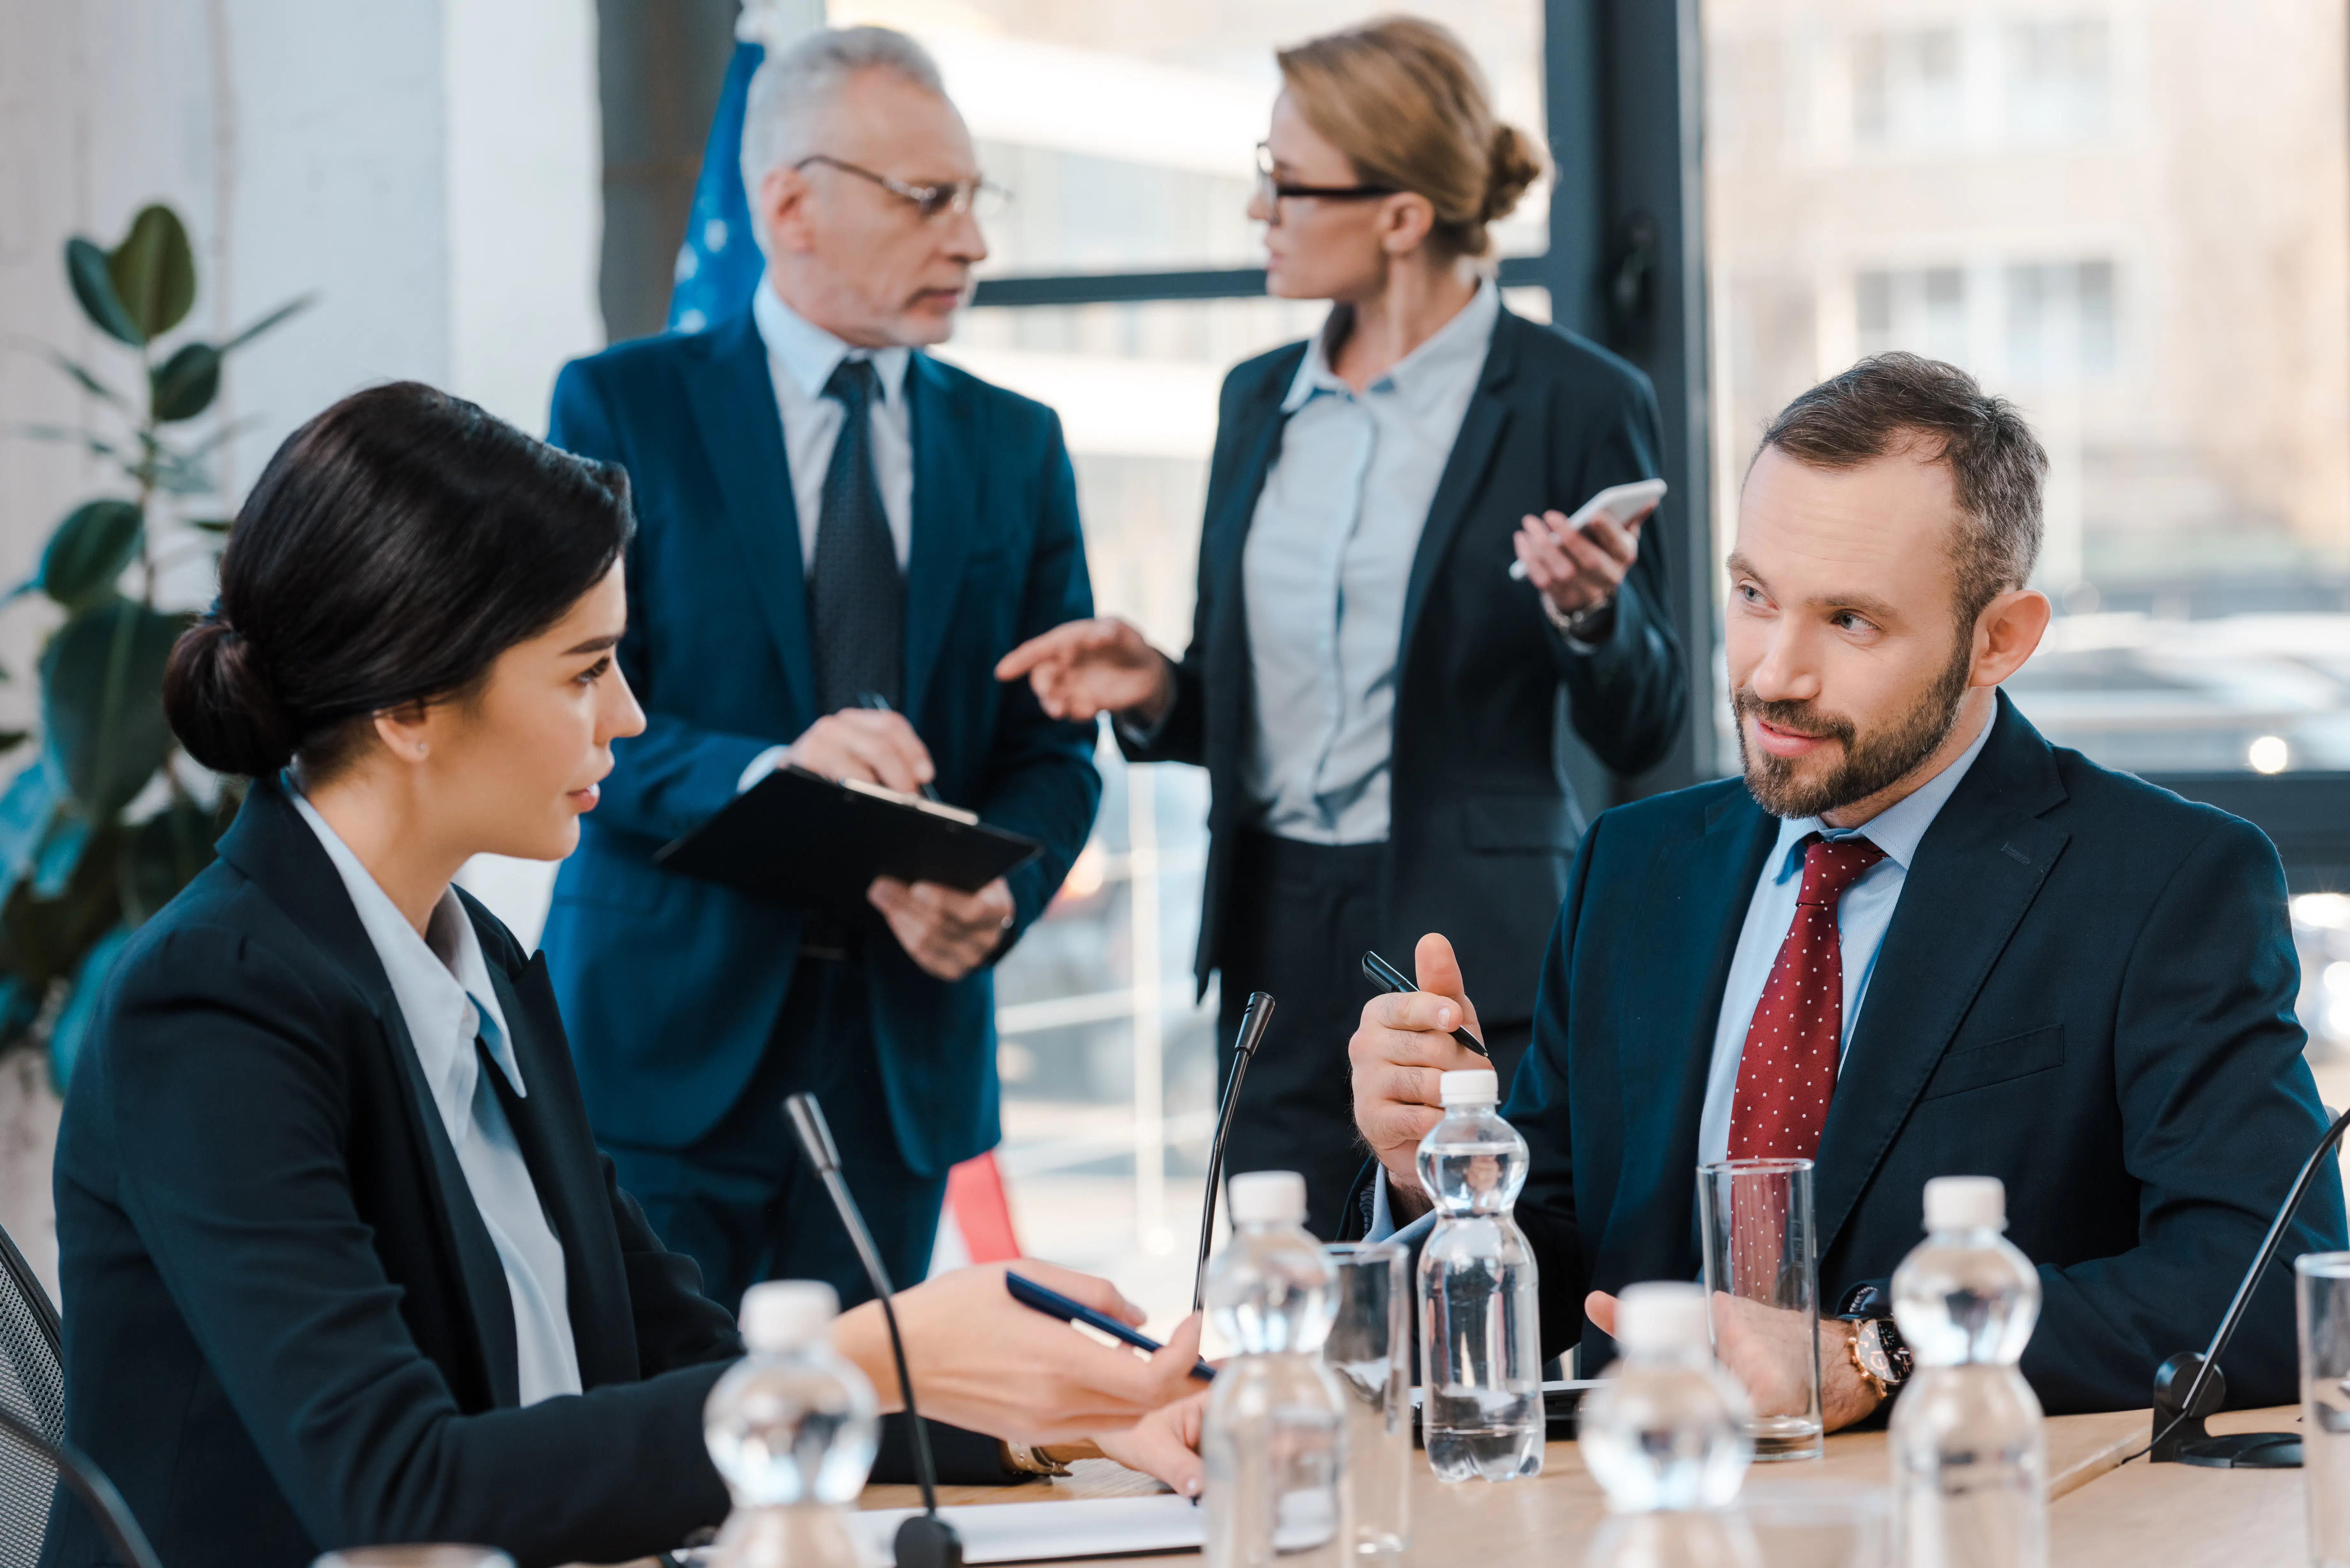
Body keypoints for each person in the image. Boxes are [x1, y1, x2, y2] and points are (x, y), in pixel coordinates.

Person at [45, 385, 1202, 1568]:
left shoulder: (472, 953)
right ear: (407, 706)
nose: (633, 716)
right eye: (587, 669)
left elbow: (682, 1364)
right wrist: (865, 1352)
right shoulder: (213, 1006)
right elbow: (396, 1493)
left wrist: (1083, 1414)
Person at [1346, 353, 2347, 1423]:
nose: (1776, 672)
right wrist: (1437, 1178)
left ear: (1998, 641)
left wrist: (1880, 1356)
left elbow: (2273, 1282)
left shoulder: (2165, 883)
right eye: (1752, 597)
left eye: (1851, 622)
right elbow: (1562, 1246)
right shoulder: (1633, 867)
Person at [996, 16, 1687, 1236]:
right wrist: (1153, 686)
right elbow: (1234, 702)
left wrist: (1591, 612)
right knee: (1279, 1291)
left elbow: (1649, 719)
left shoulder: (1579, 400)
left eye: (1283, 180)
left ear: (1402, 215)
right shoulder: (1257, 400)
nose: (1258, 209)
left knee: (1468, 1288)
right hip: (1271, 931)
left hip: (1466, 947)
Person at [541, 26, 1099, 1308]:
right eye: (930, 200)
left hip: (898, 1066)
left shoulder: (1017, 445)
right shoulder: (621, 409)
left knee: (856, 1461)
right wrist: (767, 773)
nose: (970, 240)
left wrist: (1003, 893)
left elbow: (1049, 752)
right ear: (789, 202)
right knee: (653, 1457)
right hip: (664, 1043)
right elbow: (563, 702)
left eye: (974, 200)